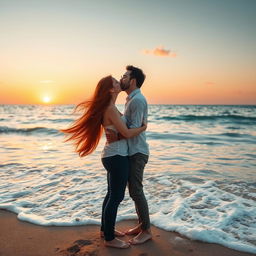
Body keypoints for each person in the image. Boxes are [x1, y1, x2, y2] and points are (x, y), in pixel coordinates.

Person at [61, 75, 146, 249]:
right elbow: (128, 134)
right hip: (116, 157)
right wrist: (143, 127)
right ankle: (109, 239)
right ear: (111, 89)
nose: (119, 82)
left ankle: (105, 230)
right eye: (115, 82)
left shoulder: (112, 108)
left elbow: (120, 132)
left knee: (110, 195)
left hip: (112, 155)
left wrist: (120, 133)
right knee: (116, 197)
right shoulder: (110, 109)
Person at [106, 65, 152, 244]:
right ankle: (142, 225)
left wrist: (117, 134)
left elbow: (132, 129)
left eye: (124, 76)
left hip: (137, 152)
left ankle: (146, 230)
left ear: (132, 81)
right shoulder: (130, 100)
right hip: (131, 151)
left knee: (137, 191)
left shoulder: (138, 100)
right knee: (134, 192)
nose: (122, 79)